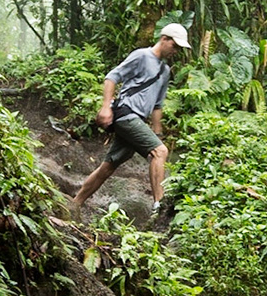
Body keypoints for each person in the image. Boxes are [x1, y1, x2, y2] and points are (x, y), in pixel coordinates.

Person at [69, 22, 191, 220]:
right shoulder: (142, 56)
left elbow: (157, 105)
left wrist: (157, 133)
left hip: (138, 120)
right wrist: (106, 107)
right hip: (126, 113)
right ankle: (159, 206)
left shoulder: (165, 71)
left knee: (107, 167)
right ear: (164, 39)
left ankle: (75, 204)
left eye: (178, 48)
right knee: (160, 152)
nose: (175, 51)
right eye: (174, 45)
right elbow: (112, 77)